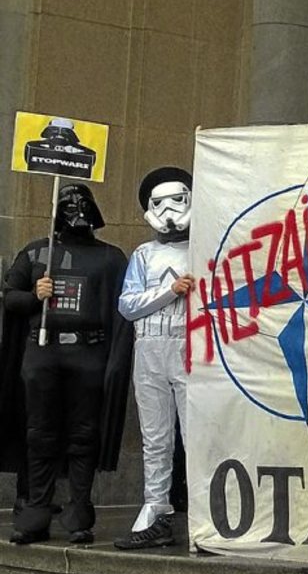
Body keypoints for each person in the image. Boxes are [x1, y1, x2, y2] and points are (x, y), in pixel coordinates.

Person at [2, 183, 132, 544]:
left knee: (84, 435)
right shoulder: (36, 252)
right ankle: (36, 509)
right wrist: (34, 296)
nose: (76, 212)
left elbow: (126, 305)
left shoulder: (111, 258)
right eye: (68, 205)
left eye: (81, 204)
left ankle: (78, 511)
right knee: (39, 433)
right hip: (43, 352)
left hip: (89, 355)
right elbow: (10, 297)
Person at [113, 167, 194, 550]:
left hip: (190, 349)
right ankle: (156, 508)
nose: (169, 210)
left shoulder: (205, 249)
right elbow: (127, 305)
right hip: (149, 350)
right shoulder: (144, 254)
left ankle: (206, 513)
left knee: (196, 435)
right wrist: (169, 291)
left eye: (177, 200)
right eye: (159, 203)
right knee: (155, 437)